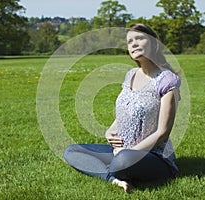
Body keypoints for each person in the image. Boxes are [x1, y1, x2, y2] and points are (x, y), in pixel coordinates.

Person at [64, 23, 181, 193]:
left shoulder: (167, 80)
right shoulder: (130, 75)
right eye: (129, 41)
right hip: (120, 150)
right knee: (71, 151)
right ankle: (113, 178)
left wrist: (127, 151)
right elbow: (126, 111)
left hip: (153, 156)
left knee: (123, 160)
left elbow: (162, 133)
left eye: (140, 38)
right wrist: (110, 131)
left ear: (154, 44)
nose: (133, 44)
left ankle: (114, 166)